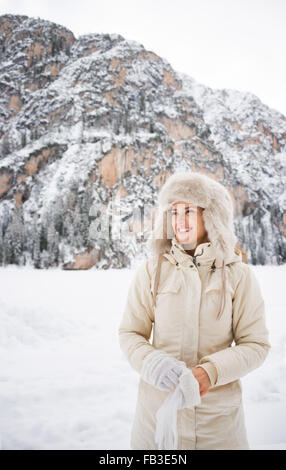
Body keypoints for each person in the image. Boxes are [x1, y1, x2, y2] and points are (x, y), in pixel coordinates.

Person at [118, 171, 271, 450]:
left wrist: (210, 372)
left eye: (188, 210)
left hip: (218, 430)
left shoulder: (238, 276)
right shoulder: (153, 270)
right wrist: (152, 362)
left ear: (210, 216)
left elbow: (256, 344)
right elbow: (130, 333)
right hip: (156, 428)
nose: (179, 220)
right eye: (174, 212)